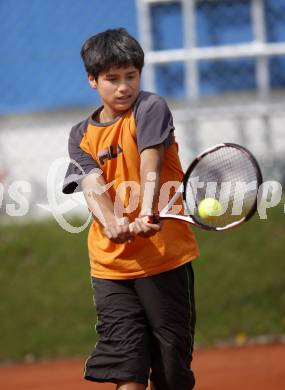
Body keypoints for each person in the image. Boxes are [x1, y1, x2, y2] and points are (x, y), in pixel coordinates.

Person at [63, 28, 199, 390]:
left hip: (163, 259)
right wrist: (111, 223)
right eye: (112, 79)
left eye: (131, 76)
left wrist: (146, 213)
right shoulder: (80, 135)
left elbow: (149, 164)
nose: (123, 87)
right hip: (110, 268)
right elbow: (92, 185)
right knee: (128, 366)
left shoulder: (150, 108)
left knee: (170, 371)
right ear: (92, 80)